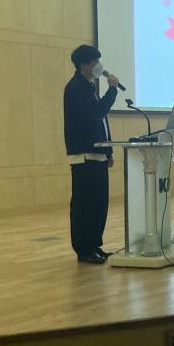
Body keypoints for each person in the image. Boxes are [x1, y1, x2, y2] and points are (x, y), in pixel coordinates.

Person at [63, 45, 121, 264]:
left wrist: (108, 150)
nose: (99, 65)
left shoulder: (88, 87)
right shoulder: (76, 88)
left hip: (97, 154)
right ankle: (84, 250)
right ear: (84, 65)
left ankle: (94, 245)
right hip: (85, 156)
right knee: (85, 205)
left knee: (98, 204)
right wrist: (112, 90)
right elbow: (97, 114)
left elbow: (101, 123)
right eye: (95, 62)